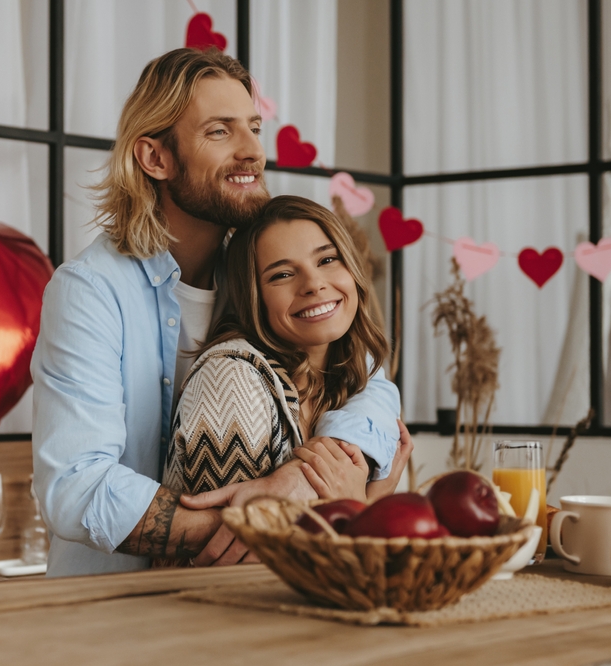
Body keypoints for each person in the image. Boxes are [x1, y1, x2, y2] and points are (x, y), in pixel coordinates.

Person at [31, 47, 402, 578]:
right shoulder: (89, 291)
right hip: (110, 616)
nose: (252, 151)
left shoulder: (265, 275)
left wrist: (311, 477)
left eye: (253, 127)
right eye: (220, 132)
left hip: (247, 602)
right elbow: (75, 486)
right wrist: (272, 516)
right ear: (155, 158)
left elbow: (370, 380)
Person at [163, 195, 413, 505]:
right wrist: (365, 505)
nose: (313, 284)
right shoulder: (231, 380)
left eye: (327, 259)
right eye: (282, 275)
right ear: (254, 298)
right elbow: (238, 547)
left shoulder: (352, 369)